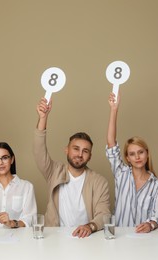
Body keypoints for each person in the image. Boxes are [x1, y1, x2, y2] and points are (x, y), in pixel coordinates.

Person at [33, 97, 111, 238]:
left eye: (85, 151)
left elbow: (104, 213)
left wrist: (90, 226)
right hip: (55, 237)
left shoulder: (99, 182)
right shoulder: (54, 172)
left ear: (90, 156)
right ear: (66, 150)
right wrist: (43, 118)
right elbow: (39, 150)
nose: (80, 154)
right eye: (76, 149)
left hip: (87, 238)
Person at [106, 92, 158, 232]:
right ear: (127, 158)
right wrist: (114, 110)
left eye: (141, 152)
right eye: (132, 154)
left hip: (144, 241)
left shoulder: (157, 185)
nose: (137, 157)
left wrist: (150, 225)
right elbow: (111, 143)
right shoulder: (120, 173)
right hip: (119, 240)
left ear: (147, 153)